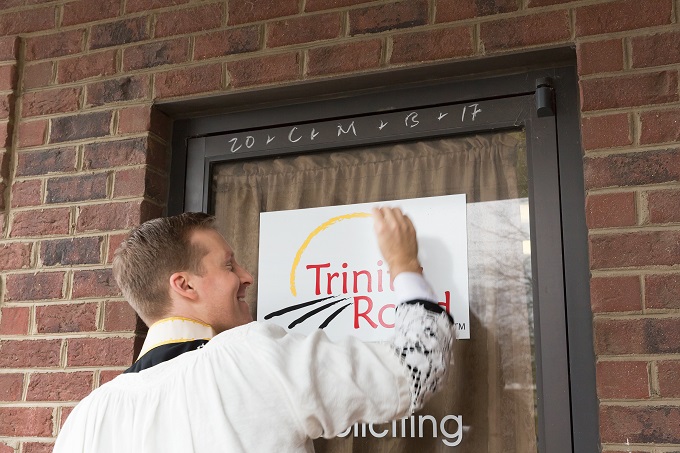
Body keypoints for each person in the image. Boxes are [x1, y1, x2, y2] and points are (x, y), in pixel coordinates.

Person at [53, 208, 454, 453]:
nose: (247, 276)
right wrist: (404, 264)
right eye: (229, 265)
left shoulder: (86, 419)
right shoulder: (247, 357)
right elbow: (413, 368)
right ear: (185, 285)